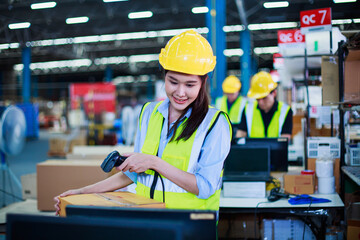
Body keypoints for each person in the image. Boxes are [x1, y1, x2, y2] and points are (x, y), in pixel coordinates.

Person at [54, 30, 232, 214]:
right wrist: (81, 192)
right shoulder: (149, 112)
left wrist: (155, 162)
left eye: (189, 85)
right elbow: (134, 175)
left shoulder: (214, 123)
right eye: (173, 81)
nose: (180, 92)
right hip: (148, 219)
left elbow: (205, 187)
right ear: (164, 76)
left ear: (203, 83)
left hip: (190, 225)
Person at [236, 71, 292, 139]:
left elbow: (285, 141)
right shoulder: (248, 109)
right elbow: (240, 135)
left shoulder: (285, 111)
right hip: (254, 149)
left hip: (276, 150)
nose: (260, 102)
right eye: (257, 98)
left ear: (274, 93)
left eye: (264, 98)